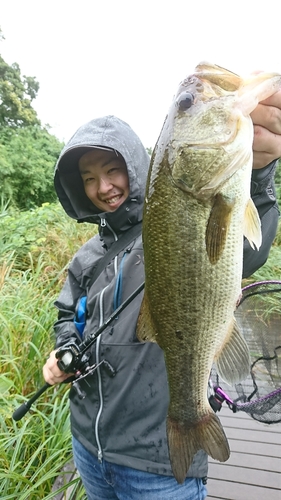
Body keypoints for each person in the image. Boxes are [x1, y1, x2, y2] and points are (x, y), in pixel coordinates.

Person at [43, 90, 281, 499]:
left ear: (136, 167)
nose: (103, 186)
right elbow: (67, 314)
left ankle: (190, 421)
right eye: (88, 178)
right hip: (88, 447)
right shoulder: (86, 257)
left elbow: (244, 245)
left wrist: (258, 172)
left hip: (156, 465)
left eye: (112, 169)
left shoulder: (171, 225)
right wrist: (63, 349)